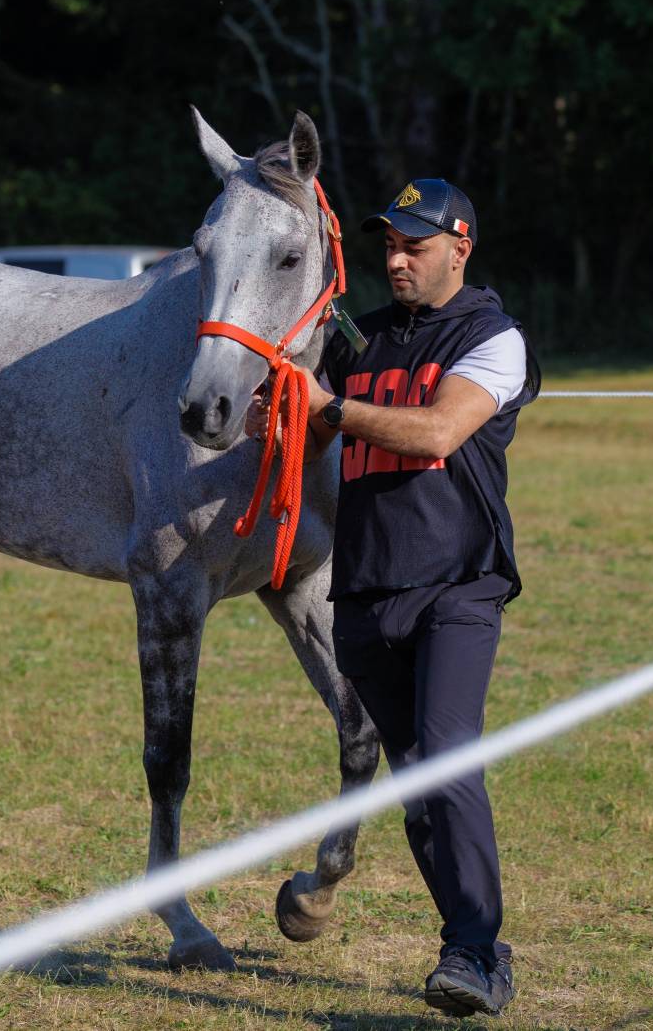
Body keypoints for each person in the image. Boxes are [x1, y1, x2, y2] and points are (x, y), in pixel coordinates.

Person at [252, 177, 539, 1019]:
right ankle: (473, 943)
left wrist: (335, 407)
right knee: (415, 786)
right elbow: (289, 392)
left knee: (447, 759)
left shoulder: (493, 337)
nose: (398, 258)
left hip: (458, 585)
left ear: (461, 247)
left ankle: (476, 954)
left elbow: (439, 431)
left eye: (415, 244)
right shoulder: (362, 338)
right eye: (389, 244)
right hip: (366, 593)